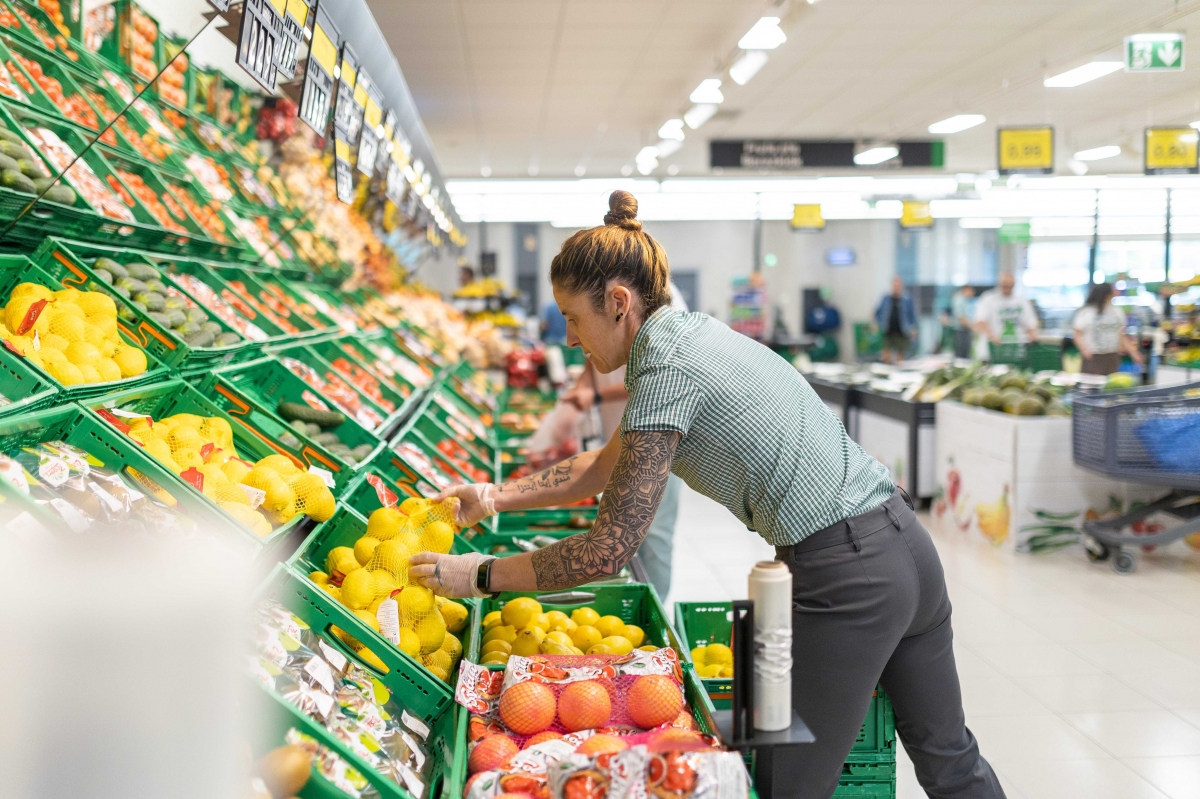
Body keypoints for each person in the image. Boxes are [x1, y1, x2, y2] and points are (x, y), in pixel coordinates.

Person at [411, 191, 1005, 799]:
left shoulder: (665, 369)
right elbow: (605, 465)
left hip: (847, 575)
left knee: (785, 787)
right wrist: (491, 497)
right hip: (903, 544)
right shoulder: (689, 336)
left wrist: (479, 576)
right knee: (951, 759)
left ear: (617, 302)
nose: (568, 339)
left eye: (573, 317)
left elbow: (607, 551)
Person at [559, 280, 690, 600]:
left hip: (659, 437)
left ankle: (654, 608)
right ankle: (632, 597)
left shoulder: (664, 301)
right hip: (618, 432)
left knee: (654, 532)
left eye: (575, 320)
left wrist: (596, 395)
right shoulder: (598, 294)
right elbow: (591, 356)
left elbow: (656, 379)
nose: (571, 338)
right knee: (623, 527)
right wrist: (581, 388)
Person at [1073, 282, 1142, 375]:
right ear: (1107, 294)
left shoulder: (1117, 312)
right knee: (1091, 382)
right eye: (1113, 290)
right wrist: (1084, 349)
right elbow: (1077, 333)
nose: (1115, 293)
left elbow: (1121, 335)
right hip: (1093, 355)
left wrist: (1133, 353)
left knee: (1111, 382)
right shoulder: (1086, 312)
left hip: (1112, 355)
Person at [974, 273, 1038, 348]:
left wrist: (1031, 333)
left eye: (1010, 285)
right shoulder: (988, 299)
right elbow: (980, 321)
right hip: (992, 349)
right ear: (999, 284)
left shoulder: (1022, 302)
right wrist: (991, 335)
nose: (1007, 288)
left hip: (1016, 348)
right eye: (1005, 285)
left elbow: (1031, 323)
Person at [873, 276, 916, 364]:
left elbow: (912, 315)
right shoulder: (886, 298)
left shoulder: (907, 300)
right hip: (888, 331)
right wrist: (875, 323)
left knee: (901, 358)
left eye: (898, 285)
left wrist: (914, 328)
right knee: (886, 356)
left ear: (901, 286)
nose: (896, 287)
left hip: (902, 331)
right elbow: (878, 312)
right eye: (895, 285)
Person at [951, 285, 976, 359]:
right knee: (961, 355)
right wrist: (972, 328)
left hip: (963, 330)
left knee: (964, 354)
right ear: (966, 290)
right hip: (961, 331)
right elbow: (961, 318)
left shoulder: (963, 300)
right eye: (971, 291)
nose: (972, 294)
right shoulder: (959, 300)